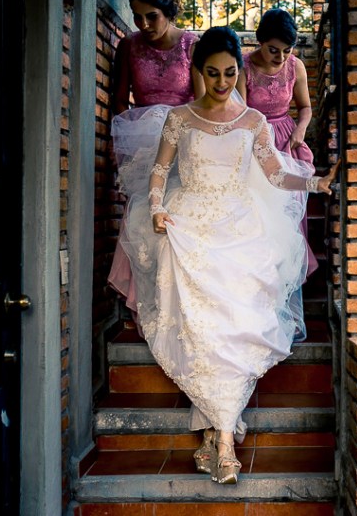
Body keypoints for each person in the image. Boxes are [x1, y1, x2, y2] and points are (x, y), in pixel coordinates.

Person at [117, 26, 339, 486]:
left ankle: (217, 437)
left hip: (241, 232)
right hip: (189, 228)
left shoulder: (254, 121)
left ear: (240, 71)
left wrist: (314, 183)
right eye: (213, 73)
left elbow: (275, 175)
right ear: (199, 71)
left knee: (233, 334)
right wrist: (156, 208)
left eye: (230, 73)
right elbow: (159, 172)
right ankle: (222, 440)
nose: (222, 82)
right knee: (203, 333)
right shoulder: (179, 118)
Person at [108, 0, 205, 330]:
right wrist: (130, 140)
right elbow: (120, 99)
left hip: (184, 140)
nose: (144, 24)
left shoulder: (192, 45)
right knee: (141, 219)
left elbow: (201, 100)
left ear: (168, 11)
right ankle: (143, 301)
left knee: (178, 218)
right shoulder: (128, 46)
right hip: (143, 144)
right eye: (137, 17)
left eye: (152, 16)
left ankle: (179, 300)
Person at [237, 8, 318, 279]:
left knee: (289, 208)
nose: (281, 57)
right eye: (273, 50)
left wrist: (300, 130)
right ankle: (261, 274)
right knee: (261, 210)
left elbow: (305, 107)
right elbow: (241, 113)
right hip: (254, 137)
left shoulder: (296, 66)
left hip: (286, 138)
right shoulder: (244, 67)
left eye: (287, 50)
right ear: (260, 41)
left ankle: (287, 273)